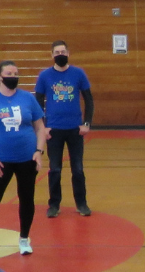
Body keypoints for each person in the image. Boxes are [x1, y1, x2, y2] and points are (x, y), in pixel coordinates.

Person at [0, 60, 46, 255]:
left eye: (16, 73)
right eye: (9, 73)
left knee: (27, 199)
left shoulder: (27, 98)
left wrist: (38, 152)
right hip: (0, 161)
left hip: (27, 160)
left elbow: (40, 127)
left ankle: (24, 238)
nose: (13, 76)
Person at [35, 40, 95, 218]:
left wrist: (87, 123)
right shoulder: (45, 76)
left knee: (77, 168)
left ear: (68, 53)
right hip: (54, 130)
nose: (60, 54)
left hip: (75, 130)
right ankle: (54, 205)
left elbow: (89, 99)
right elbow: (37, 102)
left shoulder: (78, 73)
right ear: (52, 55)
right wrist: (43, 127)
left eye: (63, 51)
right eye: (57, 52)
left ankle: (81, 204)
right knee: (55, 169)